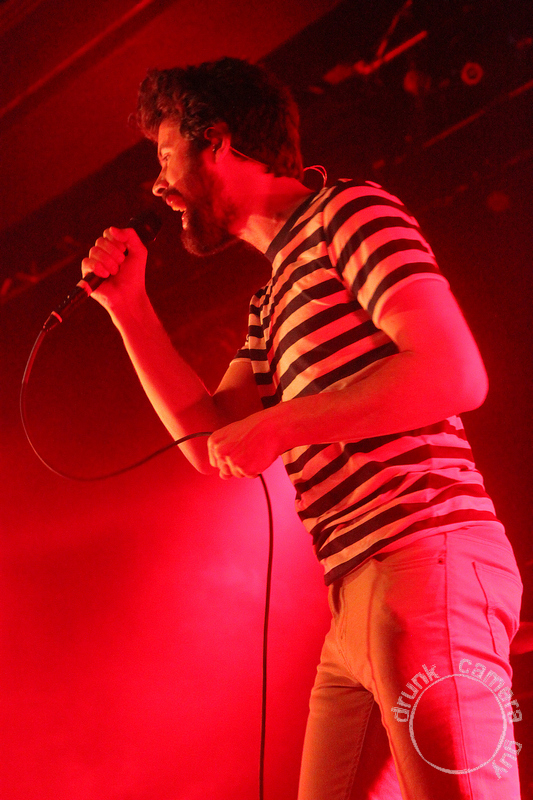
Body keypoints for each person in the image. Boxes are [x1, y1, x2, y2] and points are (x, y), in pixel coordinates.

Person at [82, 57, 523, 799]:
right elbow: (211, 440)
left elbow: (453, 371)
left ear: (216, 141)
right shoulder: (271, 296)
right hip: (352, 598)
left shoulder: (349, 210)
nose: (157, 184)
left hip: (427, 555)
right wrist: (129, 308)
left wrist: (283, 424)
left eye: (165, 155)